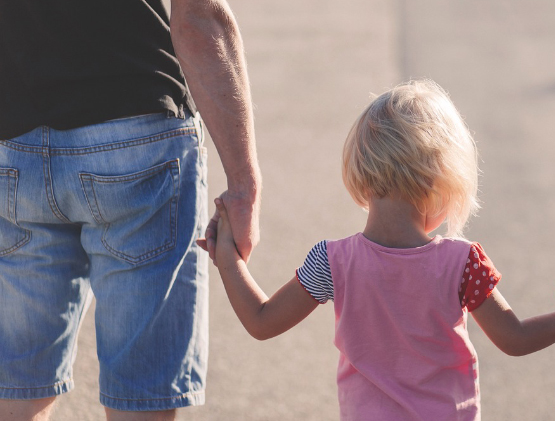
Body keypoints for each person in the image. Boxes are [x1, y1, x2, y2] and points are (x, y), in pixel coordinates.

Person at [213, 79, 555, 420]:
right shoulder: (463, 263)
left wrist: (228, 256)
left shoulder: (332, 262)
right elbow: (515, 338)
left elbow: (261, 321)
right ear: (441, 178)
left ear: (361, 167)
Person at [0, 1, 261, 421]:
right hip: (137, 138)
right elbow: (199, 18)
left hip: (13, 143)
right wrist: (244, 186)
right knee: (141, 396)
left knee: (17, 391)